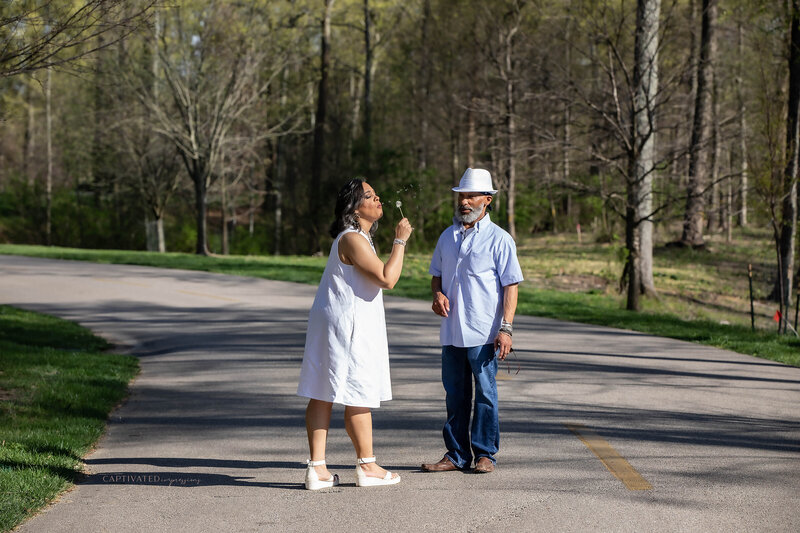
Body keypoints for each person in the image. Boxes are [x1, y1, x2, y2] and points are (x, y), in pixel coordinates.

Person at [297, 178, 413, 489]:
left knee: (324, 389)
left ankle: (317, 470)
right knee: (356, 389)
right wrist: (400, 241)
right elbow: (388, 279)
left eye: (378, 195)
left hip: (336, 321)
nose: (379, 200)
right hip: (349, 326)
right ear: (354, 207)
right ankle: (367, 466)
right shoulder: (353, 239)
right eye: (370, 196)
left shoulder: (356, 238)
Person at [421, 168, 523, 474]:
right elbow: (436, 277)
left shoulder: (500, 240)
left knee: (486, 395)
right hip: (452, 331)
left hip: (484, 332)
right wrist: (437, 295)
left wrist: (506, 328)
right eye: (461, 196)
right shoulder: (446, 236)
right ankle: (455, 454)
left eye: (471, 196)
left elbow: (511, 285)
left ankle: (485, 454)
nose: (464, 202)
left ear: (487, 200)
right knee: (455, 395)